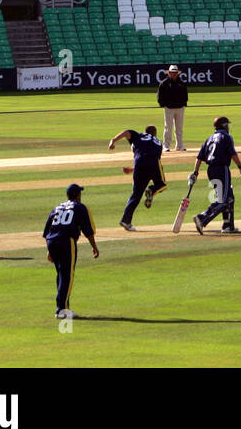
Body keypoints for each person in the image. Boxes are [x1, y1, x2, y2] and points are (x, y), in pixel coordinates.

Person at [42, 183, 99, 319]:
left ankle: (61, 306)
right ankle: (62, 310)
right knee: (67, 276)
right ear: (78, 195)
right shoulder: (80, 207)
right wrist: (94, 247)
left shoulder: (57, 207)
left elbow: (47, 230)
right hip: (66, 242)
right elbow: (88, 230)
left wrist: (49, 249)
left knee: (61, 275)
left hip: (52, 242)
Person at [190, 116, 241, 234]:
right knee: (223, 200)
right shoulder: (226, 137)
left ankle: (227, 225)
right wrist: (240, 166)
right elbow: (233, 154)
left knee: (229, 197)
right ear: (225, 126)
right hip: (222, 168)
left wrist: (195, 172)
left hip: (211, 170)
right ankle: (202, 218)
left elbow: (199, 158)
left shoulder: (209, 138)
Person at [109, 124, 167, 230]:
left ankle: (126, 221)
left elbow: (126, 132)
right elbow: (151, 158)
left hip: (139, 164)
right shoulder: (158, 142)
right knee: (161, 184)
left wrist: (113, 140)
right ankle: (151, 190)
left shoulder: (138, 136)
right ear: (155, 134)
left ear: (145, 131)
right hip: (154, 162)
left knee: (136, 195)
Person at [158, 65, 188, 152]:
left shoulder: (181, 83)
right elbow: (160, 96)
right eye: (172, 73)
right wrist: (163, 104)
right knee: (168, 127)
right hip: (169, 108)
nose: (174, 74)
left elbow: (185, 95)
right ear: (169, 73)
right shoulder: (164, 83)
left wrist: (183, 104)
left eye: (175, 73)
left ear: (177, 73)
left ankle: (179, 145)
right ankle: (166, 146)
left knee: (179, 127)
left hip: (180, 108)